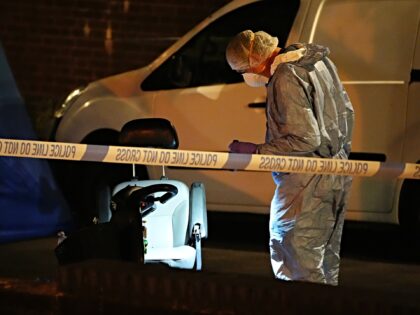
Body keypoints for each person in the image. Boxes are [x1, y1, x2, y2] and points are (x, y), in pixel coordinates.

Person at [225, 30, 354, 285]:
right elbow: (346, 114)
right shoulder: (314, 61)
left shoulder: (285, 77)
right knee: (323, 261)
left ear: (254, 62)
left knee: (294, 254)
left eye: (243, 71)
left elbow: (306, 139)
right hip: (335, 169)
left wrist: (256, 152)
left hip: (306, 179)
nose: (247, 77)